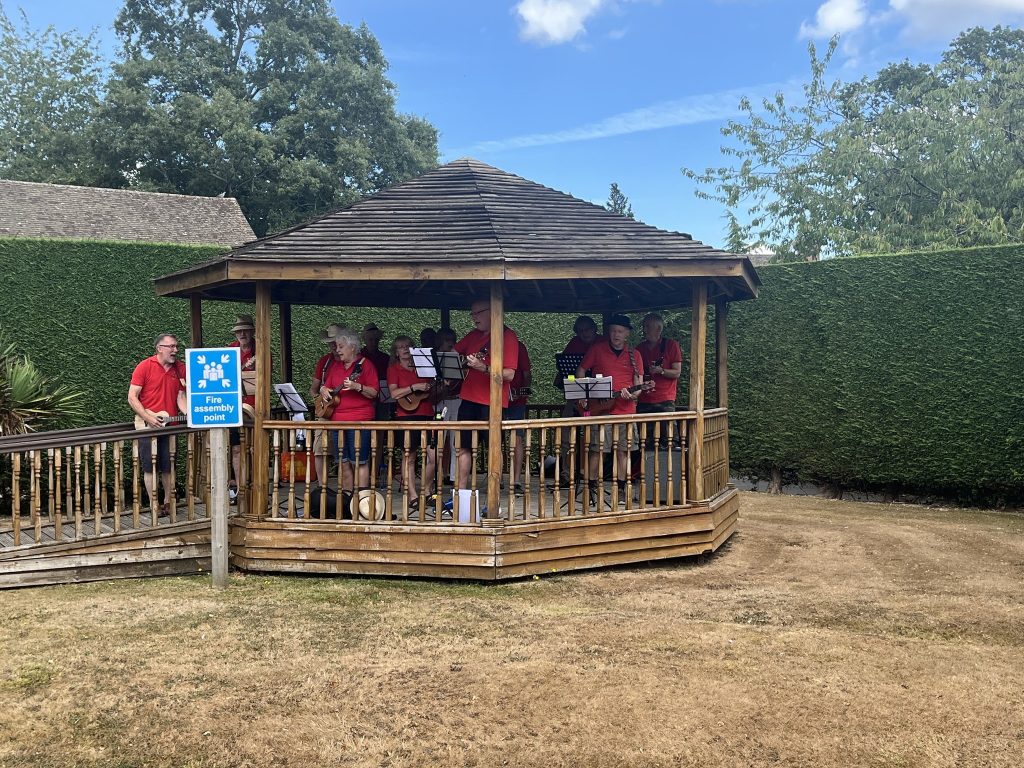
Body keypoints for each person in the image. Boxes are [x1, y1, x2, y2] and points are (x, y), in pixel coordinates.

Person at [454, 300, 519, 492]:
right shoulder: (473, 335)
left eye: (478, 313)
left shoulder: (508, 336)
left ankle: (494, 491)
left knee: (493, 449)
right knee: (463, 447)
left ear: (492, 312)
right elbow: (452, 353)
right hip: (468, 399)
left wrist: (483, 368)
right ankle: (460, 492)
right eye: (471, 313)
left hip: (492, 402)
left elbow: (510, 374)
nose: (474, 317)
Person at [577, 314, 643, 501]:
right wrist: (583, 393)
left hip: (626, 411)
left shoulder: (634, 354)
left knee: (624, 451)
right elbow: (581, 370)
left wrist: (633, 394)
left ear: (627, 334)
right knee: (597, 451)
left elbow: (638, 383)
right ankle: (590, 489)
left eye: (620, 331)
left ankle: (622, 489)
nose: (616, 334)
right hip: (601, 410)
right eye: (613, 330)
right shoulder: (597, 349)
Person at [316, 327, 379, 498]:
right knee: (343, 462)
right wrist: (323, 390)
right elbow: (325, 386)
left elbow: (374, 392)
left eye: (341, 346)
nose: (337, 350)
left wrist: (357, 386)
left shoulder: (365, 365)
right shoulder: (336, 366)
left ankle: (363, 498)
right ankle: (347, 497)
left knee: (360, 461)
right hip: (337, 421)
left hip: (360, 420)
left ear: (352, 347)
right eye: (337, 346)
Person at [128, 333, 187, 513]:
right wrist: (148, 417)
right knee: (149, 467)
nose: (175, 350)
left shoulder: (180, 369)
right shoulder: (144, 366)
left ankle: (169, 502)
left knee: (168, 466)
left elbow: (181, 396)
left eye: (176, 346)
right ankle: (154, 504)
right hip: (147, 426)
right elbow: (132, 397)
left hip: (170, 425)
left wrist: (190, 414)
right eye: (171, 346)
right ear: (159, 348)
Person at [386, 335, 437, 505]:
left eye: (408, 346)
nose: (405, 349)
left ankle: (426, 488)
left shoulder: (423, 367)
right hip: (406, 415)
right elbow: (394, 394)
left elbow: (433, 388)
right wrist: (414, 387)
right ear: (396, 352)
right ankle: (413, 495)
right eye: (401, 347)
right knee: (410, 456)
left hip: (427, 413)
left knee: (434, 455)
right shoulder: (393, 369)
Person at [227, 314, 256, 504]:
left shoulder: (260, 350)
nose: (242, 334)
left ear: (252, 331)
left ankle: (254, 486)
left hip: (253, 409)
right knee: (235, 448)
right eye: (239, 331)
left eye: (245, 330)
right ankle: (238, 488)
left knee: (253, 449)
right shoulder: (230, 350)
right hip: (232, 407)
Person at [310, 323, 343, 484]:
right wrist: (321, 395)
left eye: (336, 342)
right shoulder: (324, 361)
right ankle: (323, 488)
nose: (333, 347)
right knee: (319, 450)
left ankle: (345, 489)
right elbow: (313, 389)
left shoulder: (351, 361)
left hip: (346, 413)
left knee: (345, 452)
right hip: (326, 412)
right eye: (330, 343)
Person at [636, 312, 683, 416]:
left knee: (668, 432)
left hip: (665, 400)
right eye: (644, 326)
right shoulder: (639, 349)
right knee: (643, 432)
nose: (644, 330)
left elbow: (677, 372)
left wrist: (661, 371)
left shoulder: (671, 345)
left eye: (647, 326)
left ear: (659, 329)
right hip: (643, 400)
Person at [503, 339, 532, 495]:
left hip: (516, 400)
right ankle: (497, 478)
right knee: (495, 439)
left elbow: (527, 374)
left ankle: (516, 480)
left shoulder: (519, 347)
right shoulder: (488, 346)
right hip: (496, 400)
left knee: (517, 438)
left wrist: (521, 390)